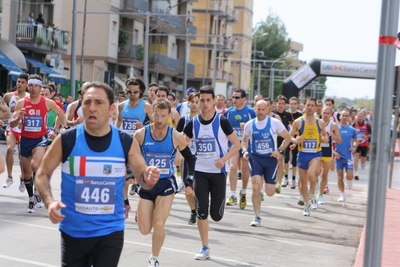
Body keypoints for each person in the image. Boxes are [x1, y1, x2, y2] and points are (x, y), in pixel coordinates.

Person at [35, 81, 160, 267]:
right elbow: (42, 174)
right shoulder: (66, 140)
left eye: (98, 103)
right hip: (73, 232)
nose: (92, 108)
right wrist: (49, 201)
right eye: (87, 102)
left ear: (111, 109)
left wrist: (148, 177)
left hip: (110, 232)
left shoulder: (126, 143)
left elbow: (143, 179)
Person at [135, 98, 196, 267]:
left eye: (163, 116)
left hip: (166, 183)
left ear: (170, 115)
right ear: (152, 114)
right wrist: (132, 176)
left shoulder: (175, 136)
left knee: (159, 223)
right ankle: (142, 212)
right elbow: (131, 157)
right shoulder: (141, 134)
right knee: (144, 229)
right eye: (156, 115)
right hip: (146, 184)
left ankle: (154, 258)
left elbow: (190, 159)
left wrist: (189, 180)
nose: (160, 120)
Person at [183, 85, 240, 260]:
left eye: (209, 100)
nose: (205, 103)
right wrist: (190, 160)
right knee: (202, 211)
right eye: (202, 100)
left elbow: (236, 145)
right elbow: (182, 143)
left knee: (216, 215)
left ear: (214, 101)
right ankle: (205, 247)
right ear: (197, 101)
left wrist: (224, 159)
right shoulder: (193, 123)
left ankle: (218, 211)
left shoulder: (222, 121)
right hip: (200, 172)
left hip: (218, 173)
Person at [10, 74, 66, 213]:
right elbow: (12, 123)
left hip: (40, 139)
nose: (33, 88)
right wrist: (18, 118)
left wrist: (56, 130)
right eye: (31, 85)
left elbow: (61, 114)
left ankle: (37, 192)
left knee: (36, 165)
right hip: (25, 139)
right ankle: (31, 198)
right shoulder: (21, 102)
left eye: (36, 86)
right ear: (28, 87)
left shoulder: (47, 102)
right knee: (27, 175)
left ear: (41, 88)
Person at [241, 100, 291, 227]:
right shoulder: (249, 124)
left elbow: (287, 137)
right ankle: (257, 216)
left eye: (263, 109)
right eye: (258, 109)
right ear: (255, 109)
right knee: (256, 185)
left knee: (270, 192)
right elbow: (244, 141)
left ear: (268, 109)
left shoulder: (274, 123)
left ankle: (266, 188)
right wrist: (245, 151)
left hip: (270, 159)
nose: (261, 112)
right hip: (256, 158)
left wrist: (279, 150)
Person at [115, 77, 153, 218]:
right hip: (124, 146)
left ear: (141, 91)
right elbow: (119, 121)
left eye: (135, 91)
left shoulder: (146, 106)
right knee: (123, 177)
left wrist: (144, 127)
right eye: (129, 91)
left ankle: (141, 207)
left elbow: (157, 125)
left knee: (140, 180)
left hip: (140, 147)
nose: (131, 94)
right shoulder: (121, 106)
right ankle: (125, 203)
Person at [290, 97, 328, 216]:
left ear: (316, 108)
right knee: (303, 182)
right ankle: (306, 205)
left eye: (312, 105)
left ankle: (313, 195)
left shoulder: (320, 122)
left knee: (312, 175)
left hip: (315, 154)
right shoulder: (298, 122)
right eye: (308, 105)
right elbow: (290, 136)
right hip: (302, 154)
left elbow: (324, 136)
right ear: (304, 107)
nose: (310, 107)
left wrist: (324, 138)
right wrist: (295, 139)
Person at [224, 89, 256, 209]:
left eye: (237, 97)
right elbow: (224, 129)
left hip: (246, 145)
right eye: (233, 97)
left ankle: (243, 192)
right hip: (233, 144)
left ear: (244, 99)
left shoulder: (250, 112)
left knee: (245, 170)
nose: (234, 100)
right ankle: (233, 194)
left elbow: (257, 127)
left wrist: (247, 126)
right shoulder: (228, 112)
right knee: (232, 167)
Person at [176, 92, 200, 224]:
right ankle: (193, 211)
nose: (195, 104)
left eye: (198, 101)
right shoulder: (183, 120)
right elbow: (177, 137)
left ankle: (200, 207)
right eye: (193, 102)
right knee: (188, 187)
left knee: (200, 187)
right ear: (188, 103)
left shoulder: (204, 120)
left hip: (202, 159)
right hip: (188, 158)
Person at [2, 73, 28, 189]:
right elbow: (3, 109)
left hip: (23, 129)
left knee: (22, 155)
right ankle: (9, 177)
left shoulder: (28, 98)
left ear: (27, 85)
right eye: (18, 82)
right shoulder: (8, 97)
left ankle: (23, 177)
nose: (19, 84)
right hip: (12, 127)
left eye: (22, 82)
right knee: (9, 149)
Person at [317, 107, 342, 204]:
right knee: (315, 172)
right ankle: (311, 192)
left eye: (328, 113)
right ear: (321, 113)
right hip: (317, 150)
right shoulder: (317, 123)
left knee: (324, 175)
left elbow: (340, 140)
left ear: (331, 114)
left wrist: (333, 135)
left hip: (327, 152)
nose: (325, 115)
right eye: (324, 113)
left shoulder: (333, 125)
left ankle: (320, 195)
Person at [334, 110, 358, 202]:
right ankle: (342, 194)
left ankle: (349, 179)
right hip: (339, 157)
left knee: (350, 176)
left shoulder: (352, 129)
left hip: (348, 157)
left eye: (346, 116)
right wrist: (334, 152)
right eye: (343, 115)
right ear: (340, 117)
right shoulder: (335, 128)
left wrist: (354, 147)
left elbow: (356, 141)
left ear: (349, 118)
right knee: (339, 177)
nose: (344, 117)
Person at [352, 111, 371, 180]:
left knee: (363, 159)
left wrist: (366, 136)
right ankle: (356, 173)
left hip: (364, 144)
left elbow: (371, 134)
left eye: (361, 116)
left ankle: (363, 163)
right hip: (357, 144)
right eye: (358, 116)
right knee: (356, 157)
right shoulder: (354, 124)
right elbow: (350, 131)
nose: (359, 118)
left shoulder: (367, 125)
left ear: (364, 117)